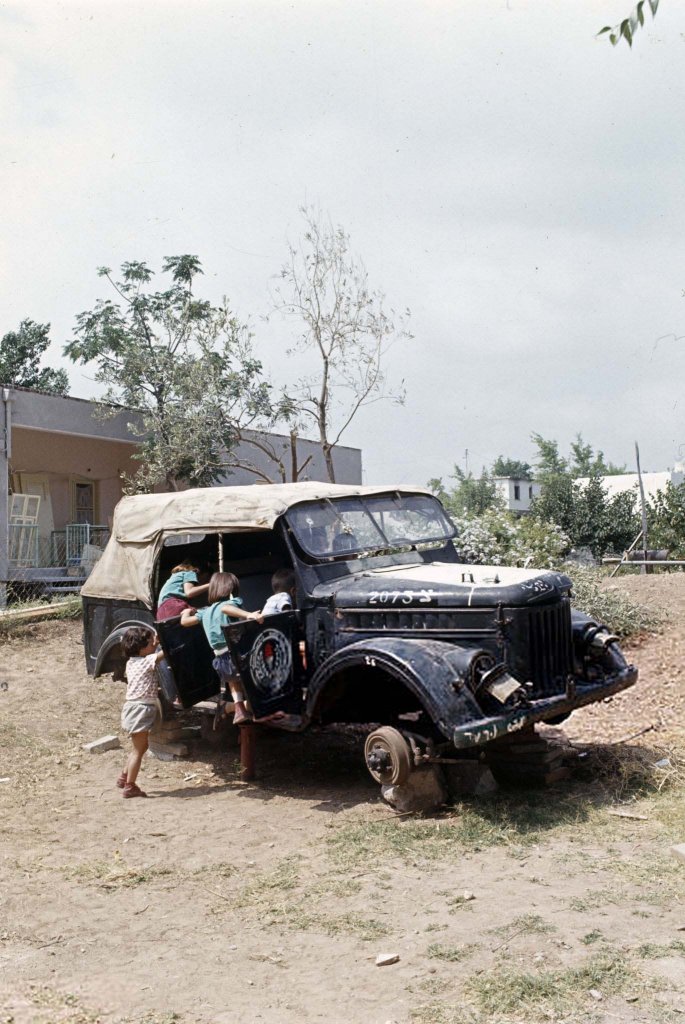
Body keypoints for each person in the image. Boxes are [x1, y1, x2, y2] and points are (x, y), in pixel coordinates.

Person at [180, 572, 263, 726]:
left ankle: (239, 709)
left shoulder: (205, 612)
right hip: (236, 655)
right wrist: (248, 615)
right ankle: (253, 706)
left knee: (232, 682)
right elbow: (226, 609)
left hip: (220, 657)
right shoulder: (231, 603)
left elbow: (185, 622)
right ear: (231, 589)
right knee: (249, 680)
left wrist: (185, 613)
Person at [117, 625, 166, 799]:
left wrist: (155, 641)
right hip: (141, 709)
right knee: (138, 750)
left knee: (140, 746)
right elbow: (165, 653)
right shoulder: (147, 661)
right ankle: (130, 786)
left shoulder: (131, 662)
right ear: (142, 647)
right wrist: (164, 640)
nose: (154, 644)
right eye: (151, 642)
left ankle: (124, 776)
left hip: (133, 708)